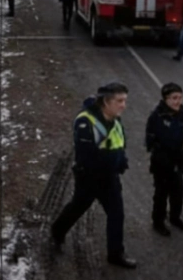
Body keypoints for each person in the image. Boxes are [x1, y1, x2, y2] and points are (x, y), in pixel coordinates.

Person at [49, 82, 137, 269]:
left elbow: (118, 142)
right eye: (119, 101)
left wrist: (122, 160)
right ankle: (57, 231)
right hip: (89, 177)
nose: (123, 105)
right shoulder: (85, 122)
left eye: (124, 100)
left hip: (109, 177)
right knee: (79, 206)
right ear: (106, 101)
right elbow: (88, 155)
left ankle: (115, 254)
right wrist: (114, 160)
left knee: (116, 214)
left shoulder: (115, 119)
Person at [145, 82, 183, 236]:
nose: (177, 101)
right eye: (174, 98)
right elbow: (150, 140)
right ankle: (158, 221)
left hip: (178, 161)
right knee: (161, 193)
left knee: (178, 191)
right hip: (162, 162)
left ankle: (175, 217)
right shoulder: (157, 116)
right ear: (166, 99)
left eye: (179, 98)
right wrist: (161, 155)